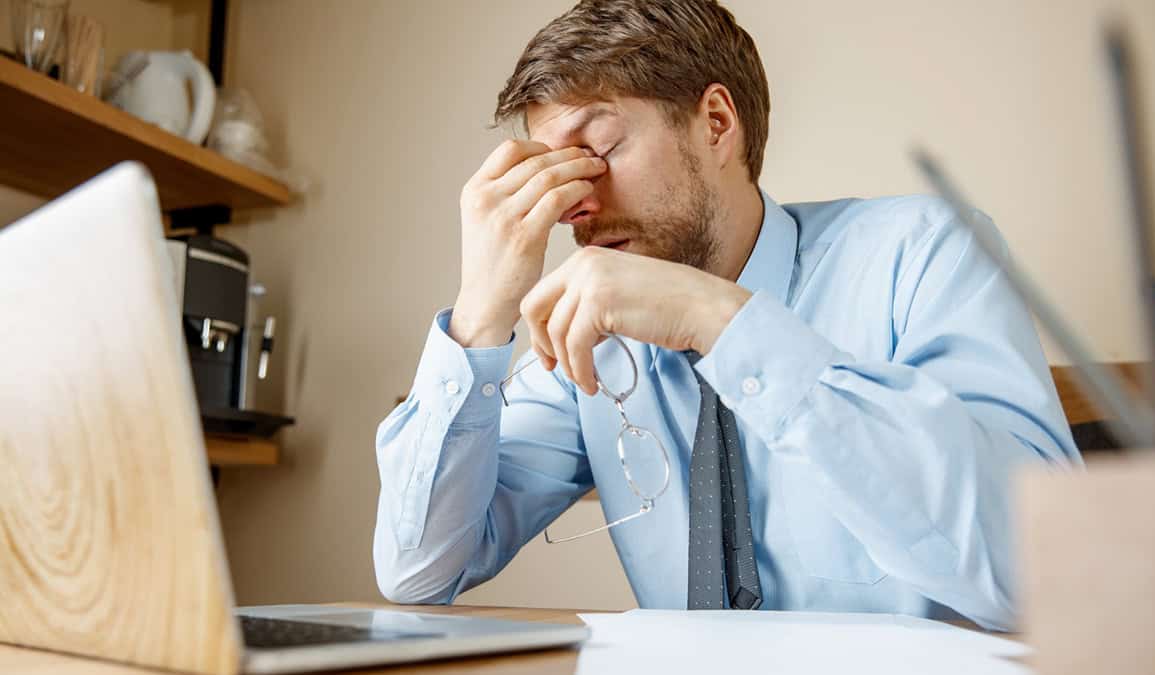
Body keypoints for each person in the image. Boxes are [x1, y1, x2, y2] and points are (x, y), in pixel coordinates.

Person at [373, 0, 1079, 630]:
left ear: (716, 123)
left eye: (598, 150)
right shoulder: (595, 341)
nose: (573, 205)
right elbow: (419, 570)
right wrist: (480, 313)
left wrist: (722, 322)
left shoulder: (926, 253)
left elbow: (1042, 577)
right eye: (552, 172)